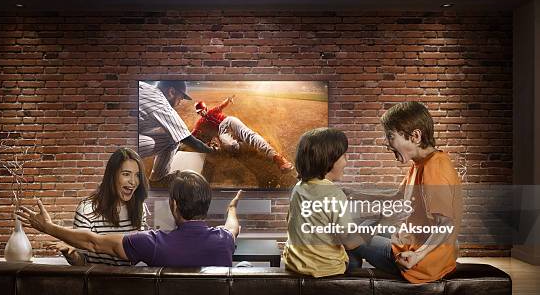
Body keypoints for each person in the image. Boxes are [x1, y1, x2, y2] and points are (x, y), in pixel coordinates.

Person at [18, 170, 242, 267]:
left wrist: (48, 227)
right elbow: (233, 226)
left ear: (174, 205)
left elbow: (93, 242)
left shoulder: (152, 243)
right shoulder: (224, 239)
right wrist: (232, 208)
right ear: (206, 204)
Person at [347, 101, 462, 284]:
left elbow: (446, 224)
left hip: (417, 263)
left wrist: (418, 255)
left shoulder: (435, 169)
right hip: (412, 244)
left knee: (346, 237)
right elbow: (397, 197)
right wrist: (356, 193)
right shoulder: (420, 163)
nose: (386, 143)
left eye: (390, 136)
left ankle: (350, 289)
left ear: (415, 136)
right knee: (363, 225)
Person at [282, 128, 363, 277]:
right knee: (357, 253)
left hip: (295, 265)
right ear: (330, 160)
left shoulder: (298, 189)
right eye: (344, 156)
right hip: (326, 270)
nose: (347, 160)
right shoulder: (335, 195)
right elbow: (350, 242)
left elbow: (292, 220)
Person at [51, 148, 150, 266]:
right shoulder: (87, 210)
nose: (133, 182)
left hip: (131, 280)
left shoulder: (139, 207)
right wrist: (71, 255)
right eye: (126, 174)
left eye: (137, 175)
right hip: (98, 282)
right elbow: (82, 261)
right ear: (112, 176)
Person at [138, 81, 215, 183]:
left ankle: (159, 178)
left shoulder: (143, 86)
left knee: (169, 135)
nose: (180, 102)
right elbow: (190, 140)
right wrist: (212, 151)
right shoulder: (161, 104)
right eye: (180, 98)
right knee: (172, 138)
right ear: (171, 92)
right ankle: (159, 179)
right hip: (120, 146)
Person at [192, 96, 293, 172]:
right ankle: (255, 143)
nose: (201, 113)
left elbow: (222, 105)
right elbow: (193, 134)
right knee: (232, 146)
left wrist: (228, 100)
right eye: (199, 112)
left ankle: (277, 158)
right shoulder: (200, 123)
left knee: (248, 135)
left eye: (201, 110)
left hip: (228, 121)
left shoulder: (213, 111)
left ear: (205, 108)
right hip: (222, 131)